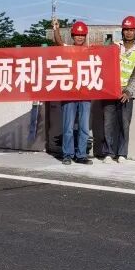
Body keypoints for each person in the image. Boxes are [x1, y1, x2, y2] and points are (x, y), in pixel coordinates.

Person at [102, 15, 135, 163]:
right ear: (122, 31)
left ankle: (122, 154)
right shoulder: (114, 46)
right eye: (126, 30)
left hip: (126, 93)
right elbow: (105, 65)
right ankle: (108, 153)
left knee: (124, 124)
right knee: (108, 123)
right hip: (110, 91)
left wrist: (127, 91)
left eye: (131, 30)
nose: (128, 33)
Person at [52, 18, 93, 165]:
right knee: (68, 126)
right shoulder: (68, 49)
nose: (80, 37)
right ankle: (67, 154)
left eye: (82, 35)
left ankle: (81, 155)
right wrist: (56, 29)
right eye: (77, 35)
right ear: (72, 36)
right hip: (69, 93)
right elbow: (58, 42)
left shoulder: (90, 51)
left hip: (85, 93)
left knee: (84, 127)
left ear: (85, 36)